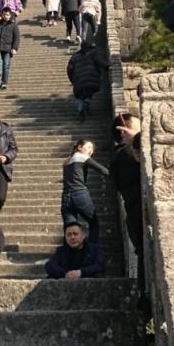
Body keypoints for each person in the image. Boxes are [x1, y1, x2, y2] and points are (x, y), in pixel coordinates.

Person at [110, 113, 145, 294]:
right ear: (124, 132)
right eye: (137, 128)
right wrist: (138, 140)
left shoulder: (123, 155)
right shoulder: (124, 156)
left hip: (136, 212)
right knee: (145, 256)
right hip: (138, 212)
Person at [61, 139, 108, 247]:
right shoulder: (82, 157)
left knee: (69, 228)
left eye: (92, 149)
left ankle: (69, 257)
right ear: (79, 147)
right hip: (80, 194)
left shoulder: (67, 161)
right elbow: (103, 170)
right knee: (93, 223)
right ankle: (91, 251)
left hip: (66, 197)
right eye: (88, 147)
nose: (90, 151)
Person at [67, 41, 107, 121]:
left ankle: (81, 110)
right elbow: (100, 62)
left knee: (79, 95)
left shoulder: (74, 57)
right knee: (88, 92)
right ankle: (86, 104)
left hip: (78, 80)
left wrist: (73, 80)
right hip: (91, 79)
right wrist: (108, 66)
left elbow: (69, 69)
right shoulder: (93, 54)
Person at [0, 7, 20, 90]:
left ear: (10, 15)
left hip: (7, 49)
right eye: (4, 14)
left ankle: (4, 82)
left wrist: (14, 48)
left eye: (7, 15)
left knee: (6, 66)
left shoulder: (13, 26)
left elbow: (17, 38)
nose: (6, 16)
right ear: (1, 15)